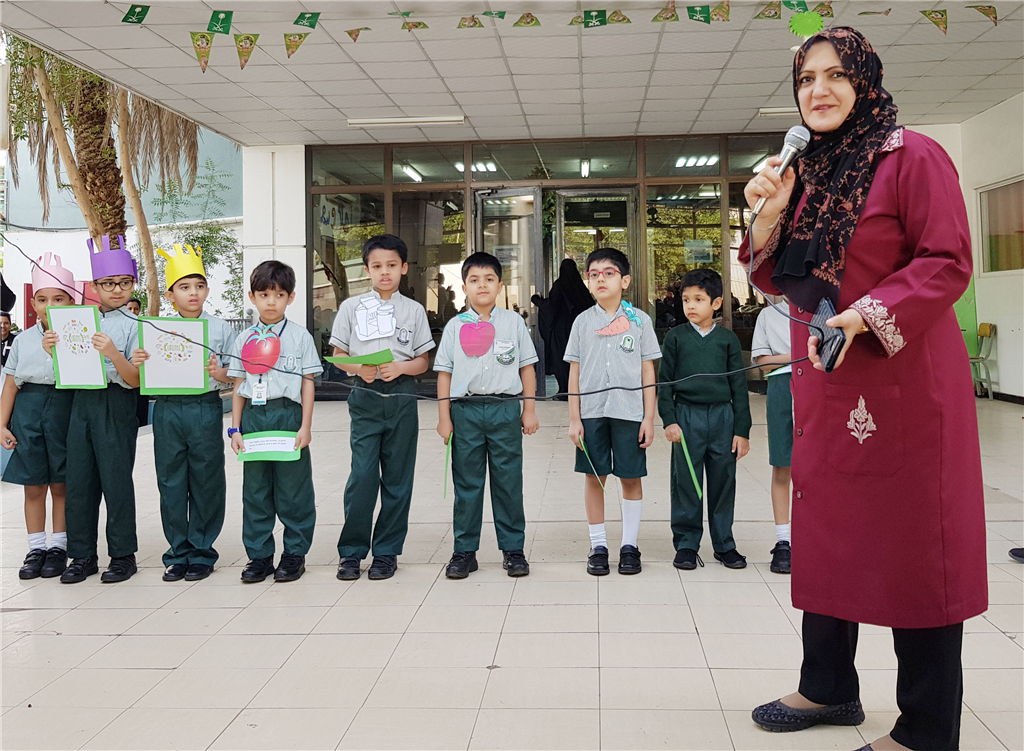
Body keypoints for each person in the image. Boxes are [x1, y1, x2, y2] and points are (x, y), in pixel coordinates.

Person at [740, 28, 987, 750]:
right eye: (805, 79)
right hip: (828, 383)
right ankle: (828, 686)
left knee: (917, 545)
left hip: (903, 381)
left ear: (865, 81)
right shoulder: (809, 170)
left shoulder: (912, 156)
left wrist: (866, 314)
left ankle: (927, 728)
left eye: (835, 75)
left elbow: (946, 261)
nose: (817, 90)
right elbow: (777, 276)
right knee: (829, 531)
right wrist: (770, 212)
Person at [331, 234, 434, 581]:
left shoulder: (414, 310)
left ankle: (387, 551)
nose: (384, 272)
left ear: (404, 267)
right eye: (377, 266)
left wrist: (401, 367)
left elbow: (422, 361)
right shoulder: (351, 308)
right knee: (362, 475)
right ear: (367, 270)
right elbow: (339, 356)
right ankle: (351, 551)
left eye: (391, 265)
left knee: (398, 477)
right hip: (365, 394)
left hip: (402, 395)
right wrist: (359, 367)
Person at [131, 245, 236, 582]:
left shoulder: (220, 328)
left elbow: (236, 375)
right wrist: (140, 362)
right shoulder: (156, 329)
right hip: (167, 409)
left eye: (199, 286)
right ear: (170, 294)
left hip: (204, 407)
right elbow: (142, 373)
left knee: (207, 479)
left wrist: (219, 372)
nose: (193, 293)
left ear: (207, 290)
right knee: (171, 480)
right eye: (185, 287)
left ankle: (202, 552)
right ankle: (177, 553)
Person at [434, 252, 539, 579]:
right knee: (467, 483)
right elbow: (444, 373)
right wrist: (444, 416)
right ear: (464, 287)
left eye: (489, 279)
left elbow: (527, 367)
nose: (482, 286)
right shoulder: (454, 326)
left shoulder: (513, 323)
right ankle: (464, 551)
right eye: (475, 280)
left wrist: (529, 409)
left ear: (500, 286)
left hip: (504, 409)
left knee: (509, 481)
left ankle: (513, 549)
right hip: (464, 411)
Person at [52, 236, 142, 584]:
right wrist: (52, 349)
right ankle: (82, 555)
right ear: (94, 286)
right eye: (108, 283)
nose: (116, 290)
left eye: (124, 283)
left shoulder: (136, 326)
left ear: (133, 284)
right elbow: (67, 367)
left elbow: (134, 380)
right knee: (79, 481)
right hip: (81, 403)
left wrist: (114, 354)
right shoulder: (77, 320)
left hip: (116, 402)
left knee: (116, 479)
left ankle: (122, 554)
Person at [566, 248, 660, 576]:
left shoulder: (640, 321)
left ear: (625, 281)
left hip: (629, 412)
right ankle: (598, 546)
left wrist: (649, 418)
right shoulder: (582, 322)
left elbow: (648, 370)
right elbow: (574, 372)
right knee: (595, 477)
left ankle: (629, 546)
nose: (600, 279)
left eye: (609, 273)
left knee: (630, 478)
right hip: (591, 413)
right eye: (593, 274)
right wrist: (574, 418)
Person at [228, 261, 321, 584]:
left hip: (287, 415)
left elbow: (308, 382)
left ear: (290, 297)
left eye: (279, 295)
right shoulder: (243, 339)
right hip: (254, 417)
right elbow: (238, 385)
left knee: (294, 489)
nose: (271, 301)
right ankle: (259, 556)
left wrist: (305, 426)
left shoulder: (299, 337)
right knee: (255, 490)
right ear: (252, 296)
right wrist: (235, 428)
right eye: (264, 294)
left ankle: (294, 553)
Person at [658, 269, 751, 571]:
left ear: (716, 303)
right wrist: (669, 419)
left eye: (699, 299)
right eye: (686, 299)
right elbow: (664, 382)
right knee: (686, 482)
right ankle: (686, 544)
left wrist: (742, 430)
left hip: (723, 417)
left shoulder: (727, 340)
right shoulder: (675, 338)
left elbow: (739, 388)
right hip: (687, 417)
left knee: (724, 482)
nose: (691, 305)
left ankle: (724, 544)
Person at [0, 255, 77, 580]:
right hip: (28, 412)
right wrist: (2, 424)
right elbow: (11, 383)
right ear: (33, 304)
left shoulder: (79, 336)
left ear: (71, 302)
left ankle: (58, 546)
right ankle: (36, 548)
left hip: (64, 408)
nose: (50, 306)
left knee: (61, 483)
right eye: (43, 299)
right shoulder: (22, 341)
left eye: (58, 299)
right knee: (33, 485)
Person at [751, 298, 794, 574]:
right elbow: (763, 363)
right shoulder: (769, 314)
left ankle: (814, 536)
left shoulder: (823, 308)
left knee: (816, 469)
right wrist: (798, 355)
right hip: (780, 387)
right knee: (781, 464)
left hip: (817, 385)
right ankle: (783, 540)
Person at [539, 258, 592, 398]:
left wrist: (537, 301)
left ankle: (564, 391)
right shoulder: (580, 287)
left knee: (561, 360)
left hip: (561, 331)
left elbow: (551, 306)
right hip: (578, 329)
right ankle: (577, 390)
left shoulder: (560, 285)